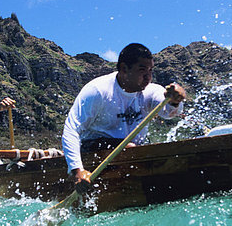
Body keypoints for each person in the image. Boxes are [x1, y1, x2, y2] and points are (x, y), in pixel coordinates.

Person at [62, 43, 187, 191]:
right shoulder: (97, 91)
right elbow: (72, 130)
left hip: (133, 151)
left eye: (150, 70)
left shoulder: (151, 91)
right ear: (124, 69)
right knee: (130, 148)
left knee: (139, 148)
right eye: (142, 70)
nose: (148, 77)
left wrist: (174, 100)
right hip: (91, 148)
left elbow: (169, 113)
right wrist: (77, 171)